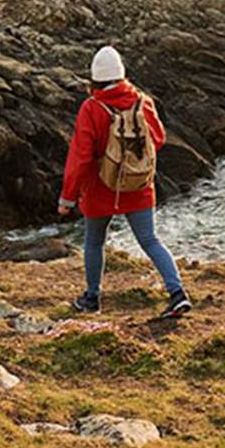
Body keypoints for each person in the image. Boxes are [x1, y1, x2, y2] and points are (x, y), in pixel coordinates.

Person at [59, 45, 191, 319]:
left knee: (94, 242)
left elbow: (80, 157)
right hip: (138, 185)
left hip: (100, 188)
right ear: (122, 74)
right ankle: (177, 293)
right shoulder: (142, 101)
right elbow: (158, 139)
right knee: (150, 240)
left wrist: (67, 198)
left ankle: (92, 298)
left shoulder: (92, 108)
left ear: (94, 78)